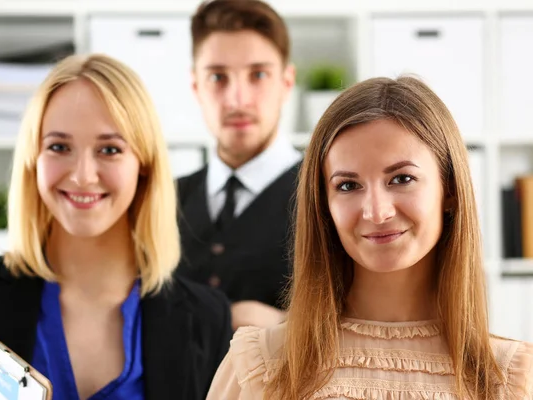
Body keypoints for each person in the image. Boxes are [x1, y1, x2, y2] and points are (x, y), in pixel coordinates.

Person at [207, 76, 533, 399]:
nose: (376, 212)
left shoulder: (511, 378)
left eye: (401, 178)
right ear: (323, 205)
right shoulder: (258, 366)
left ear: (449, 189)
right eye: (348, 185)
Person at [0, 54, 232, 400]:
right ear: (33, 159)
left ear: (144, 165)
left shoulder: (207, 318)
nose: (82, 175)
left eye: (109, 149)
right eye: (59, 147)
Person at [176, 0, 301, 331]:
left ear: (286, 83)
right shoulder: (163, 197)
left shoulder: (327, 195)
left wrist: (289, 328)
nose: (237, 99)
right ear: (195, 87)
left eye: (258, 75)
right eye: (217, 77)